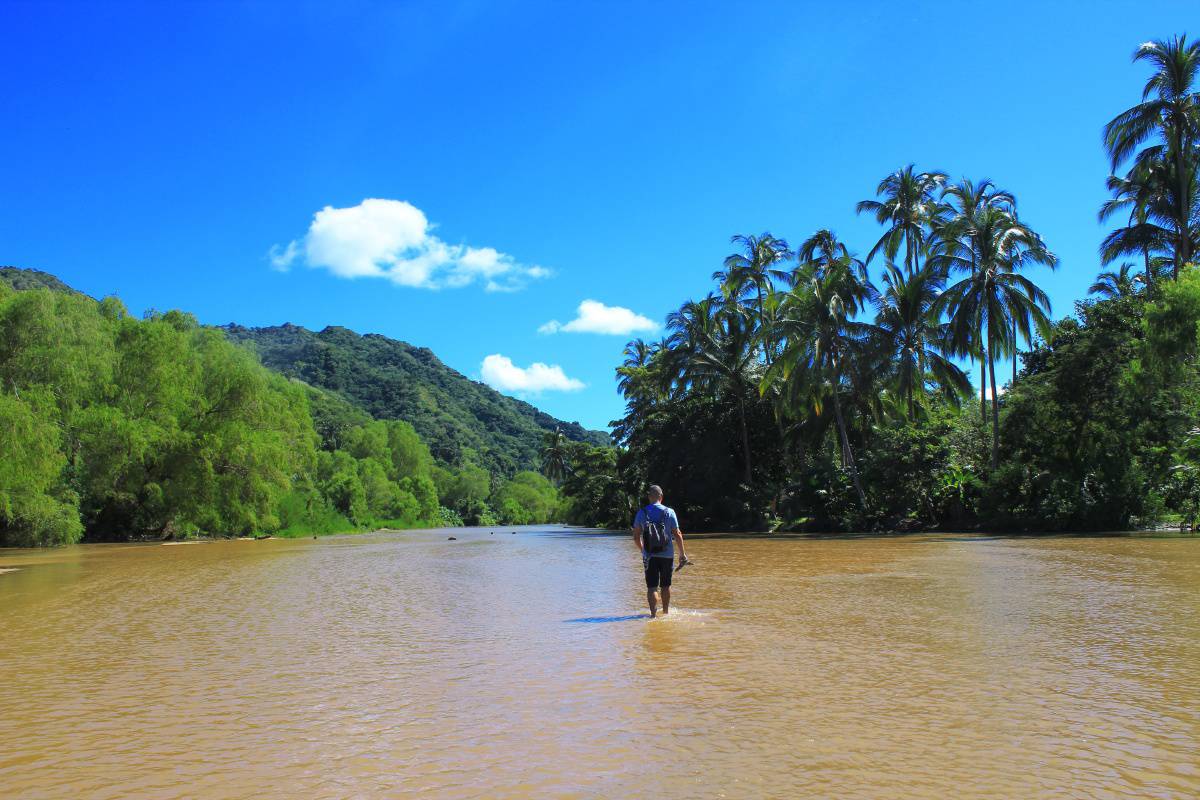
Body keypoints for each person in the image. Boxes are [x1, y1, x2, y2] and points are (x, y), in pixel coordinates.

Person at [632, 485, 690, 618]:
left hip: (650, 556)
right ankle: (665, 613)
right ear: (661, 497)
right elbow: (678, 534)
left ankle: (652, 616)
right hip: (667, 556)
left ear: (649, 497)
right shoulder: (669, 512)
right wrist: (682, 554)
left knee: (652, 587)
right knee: (665, 585)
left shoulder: (642, 513)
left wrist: (643, 551)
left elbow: (635, 537)